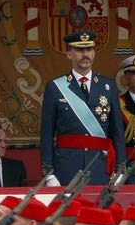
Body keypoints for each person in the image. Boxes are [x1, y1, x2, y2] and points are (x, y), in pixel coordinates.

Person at [40, 30, 126, 186]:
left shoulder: (109, 86)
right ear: (69, 54)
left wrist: (121, 169)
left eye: (89, 49)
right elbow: (46, 134)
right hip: (66, 167)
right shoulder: (55, 87)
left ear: (94, 53)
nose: (85, 54)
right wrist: (49, 173)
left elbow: (117, 132)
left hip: (100, 167)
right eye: (79, 50)